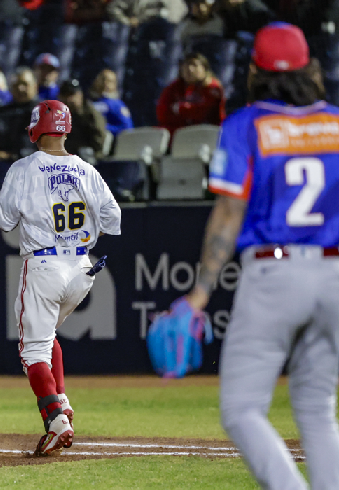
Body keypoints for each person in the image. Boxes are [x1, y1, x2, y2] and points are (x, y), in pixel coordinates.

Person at [179, 23, 339, 489]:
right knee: (316, 404)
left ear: (255, 71)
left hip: (276, 271)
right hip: (334, 270)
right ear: (310, 69)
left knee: (242, 409)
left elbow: (229, 213)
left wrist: (200, 294)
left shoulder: (246, 124)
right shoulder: (336, 122)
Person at [0, 99, 121, 456]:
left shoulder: (23, 168)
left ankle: (55, 421)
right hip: (82, 267)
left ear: (35, 130)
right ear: (66, 129)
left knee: (32, 350)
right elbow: (113, 220)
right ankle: (60, 400)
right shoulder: (87, 169)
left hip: (45, 265)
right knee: (46, 336)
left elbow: (4, 221)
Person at [156, 52, 226, 135]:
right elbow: (162, 113)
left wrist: (180, 109)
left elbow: (203, 113)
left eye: (194, 65)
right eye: (186, 65)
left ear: (204, 68)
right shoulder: (175, 87)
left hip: (206, 134)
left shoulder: (213, 88)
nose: (190, 69)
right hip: (177, 133)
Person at [0, 68, 39, 163]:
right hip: (1, 165)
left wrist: (13, 156)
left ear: (35, 87)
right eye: (16, 85)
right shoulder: (0, 114)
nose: (20, 88)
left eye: (25, 84)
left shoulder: (46, 114)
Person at [57, 79, 107, 158]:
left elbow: (99, 139)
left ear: (80, 95)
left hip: (86, 155)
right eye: (65, 95)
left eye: (71, 95)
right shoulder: (56, 114)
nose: (68, 99)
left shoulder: (90, 114)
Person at [88, 69, 133, 137]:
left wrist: (103, 128)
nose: (105, 83)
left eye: (109, 81)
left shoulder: (117, 105)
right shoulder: (90, 103)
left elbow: (127, 127)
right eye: (103, 79)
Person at [106, 0, 187, 26]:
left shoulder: (176, 2)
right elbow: (112, 8)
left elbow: (181, 13)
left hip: (167, 35)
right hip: (139, 33)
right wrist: (127, 21)